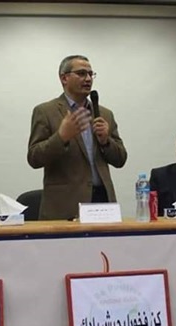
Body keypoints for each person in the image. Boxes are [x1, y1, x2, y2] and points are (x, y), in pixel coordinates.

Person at [28, 55, 127, 220]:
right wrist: (61, 137)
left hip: (103, 201)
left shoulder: (104, 114)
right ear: (64, 78)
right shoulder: (45, 111)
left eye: (90, 74)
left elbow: (120, 159)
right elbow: (34, 158)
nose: (88, 79)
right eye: (81, 73)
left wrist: (105, 141)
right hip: (65, 204)